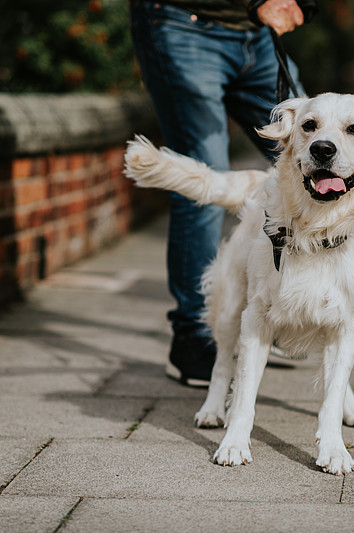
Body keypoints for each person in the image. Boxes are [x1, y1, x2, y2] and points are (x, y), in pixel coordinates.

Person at [130, 0, 315, 386]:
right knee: (205, 182)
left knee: (306, 164)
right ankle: (193, 339)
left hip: (258, 35)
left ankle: (279, 313)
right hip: (183, 22)